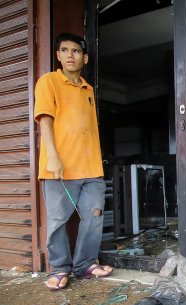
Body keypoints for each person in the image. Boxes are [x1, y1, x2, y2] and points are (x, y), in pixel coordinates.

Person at [34, 33, 113, 291]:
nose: (70, 55)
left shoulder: (87, 89)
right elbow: (45, 120)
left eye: (76, 51)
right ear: (58, 56)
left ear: (85, 57)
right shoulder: (49, 81)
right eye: (65, 51)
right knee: (58, 221)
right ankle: (59, 268)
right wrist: (53, 157)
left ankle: (86, 264)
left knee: (94, 217)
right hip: (60, 166)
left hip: (91, 168)